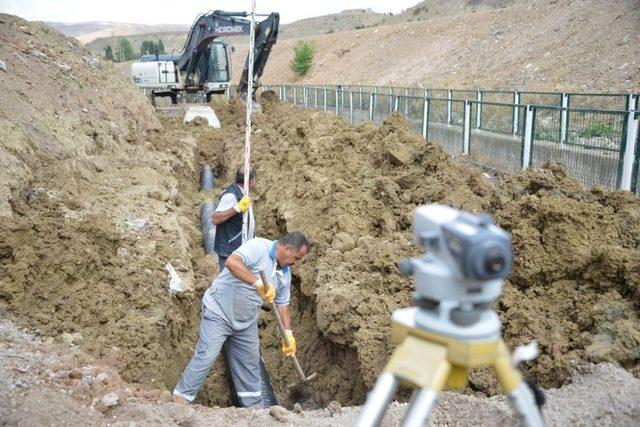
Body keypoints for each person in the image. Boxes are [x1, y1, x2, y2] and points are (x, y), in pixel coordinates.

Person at [173, 231, 311, 407]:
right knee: (207, 355)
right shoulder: (258, 247)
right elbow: (232, 262)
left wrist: (289, 334)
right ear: (287, 248)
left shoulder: (285, 273)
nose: (296, 263)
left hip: (245, 321)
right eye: (297, 258)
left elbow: (283, 304)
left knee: (250, 364)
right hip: (219, 310)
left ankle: (254, 407)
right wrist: (257, 283)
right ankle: (181, 398)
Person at [213, 167, 255, 272]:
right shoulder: (231, 195)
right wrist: (237, 208)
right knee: (227, 282)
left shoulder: (242, 193)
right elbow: (215, 218)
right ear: (250, 182)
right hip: (229, 250)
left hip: (240, 248)